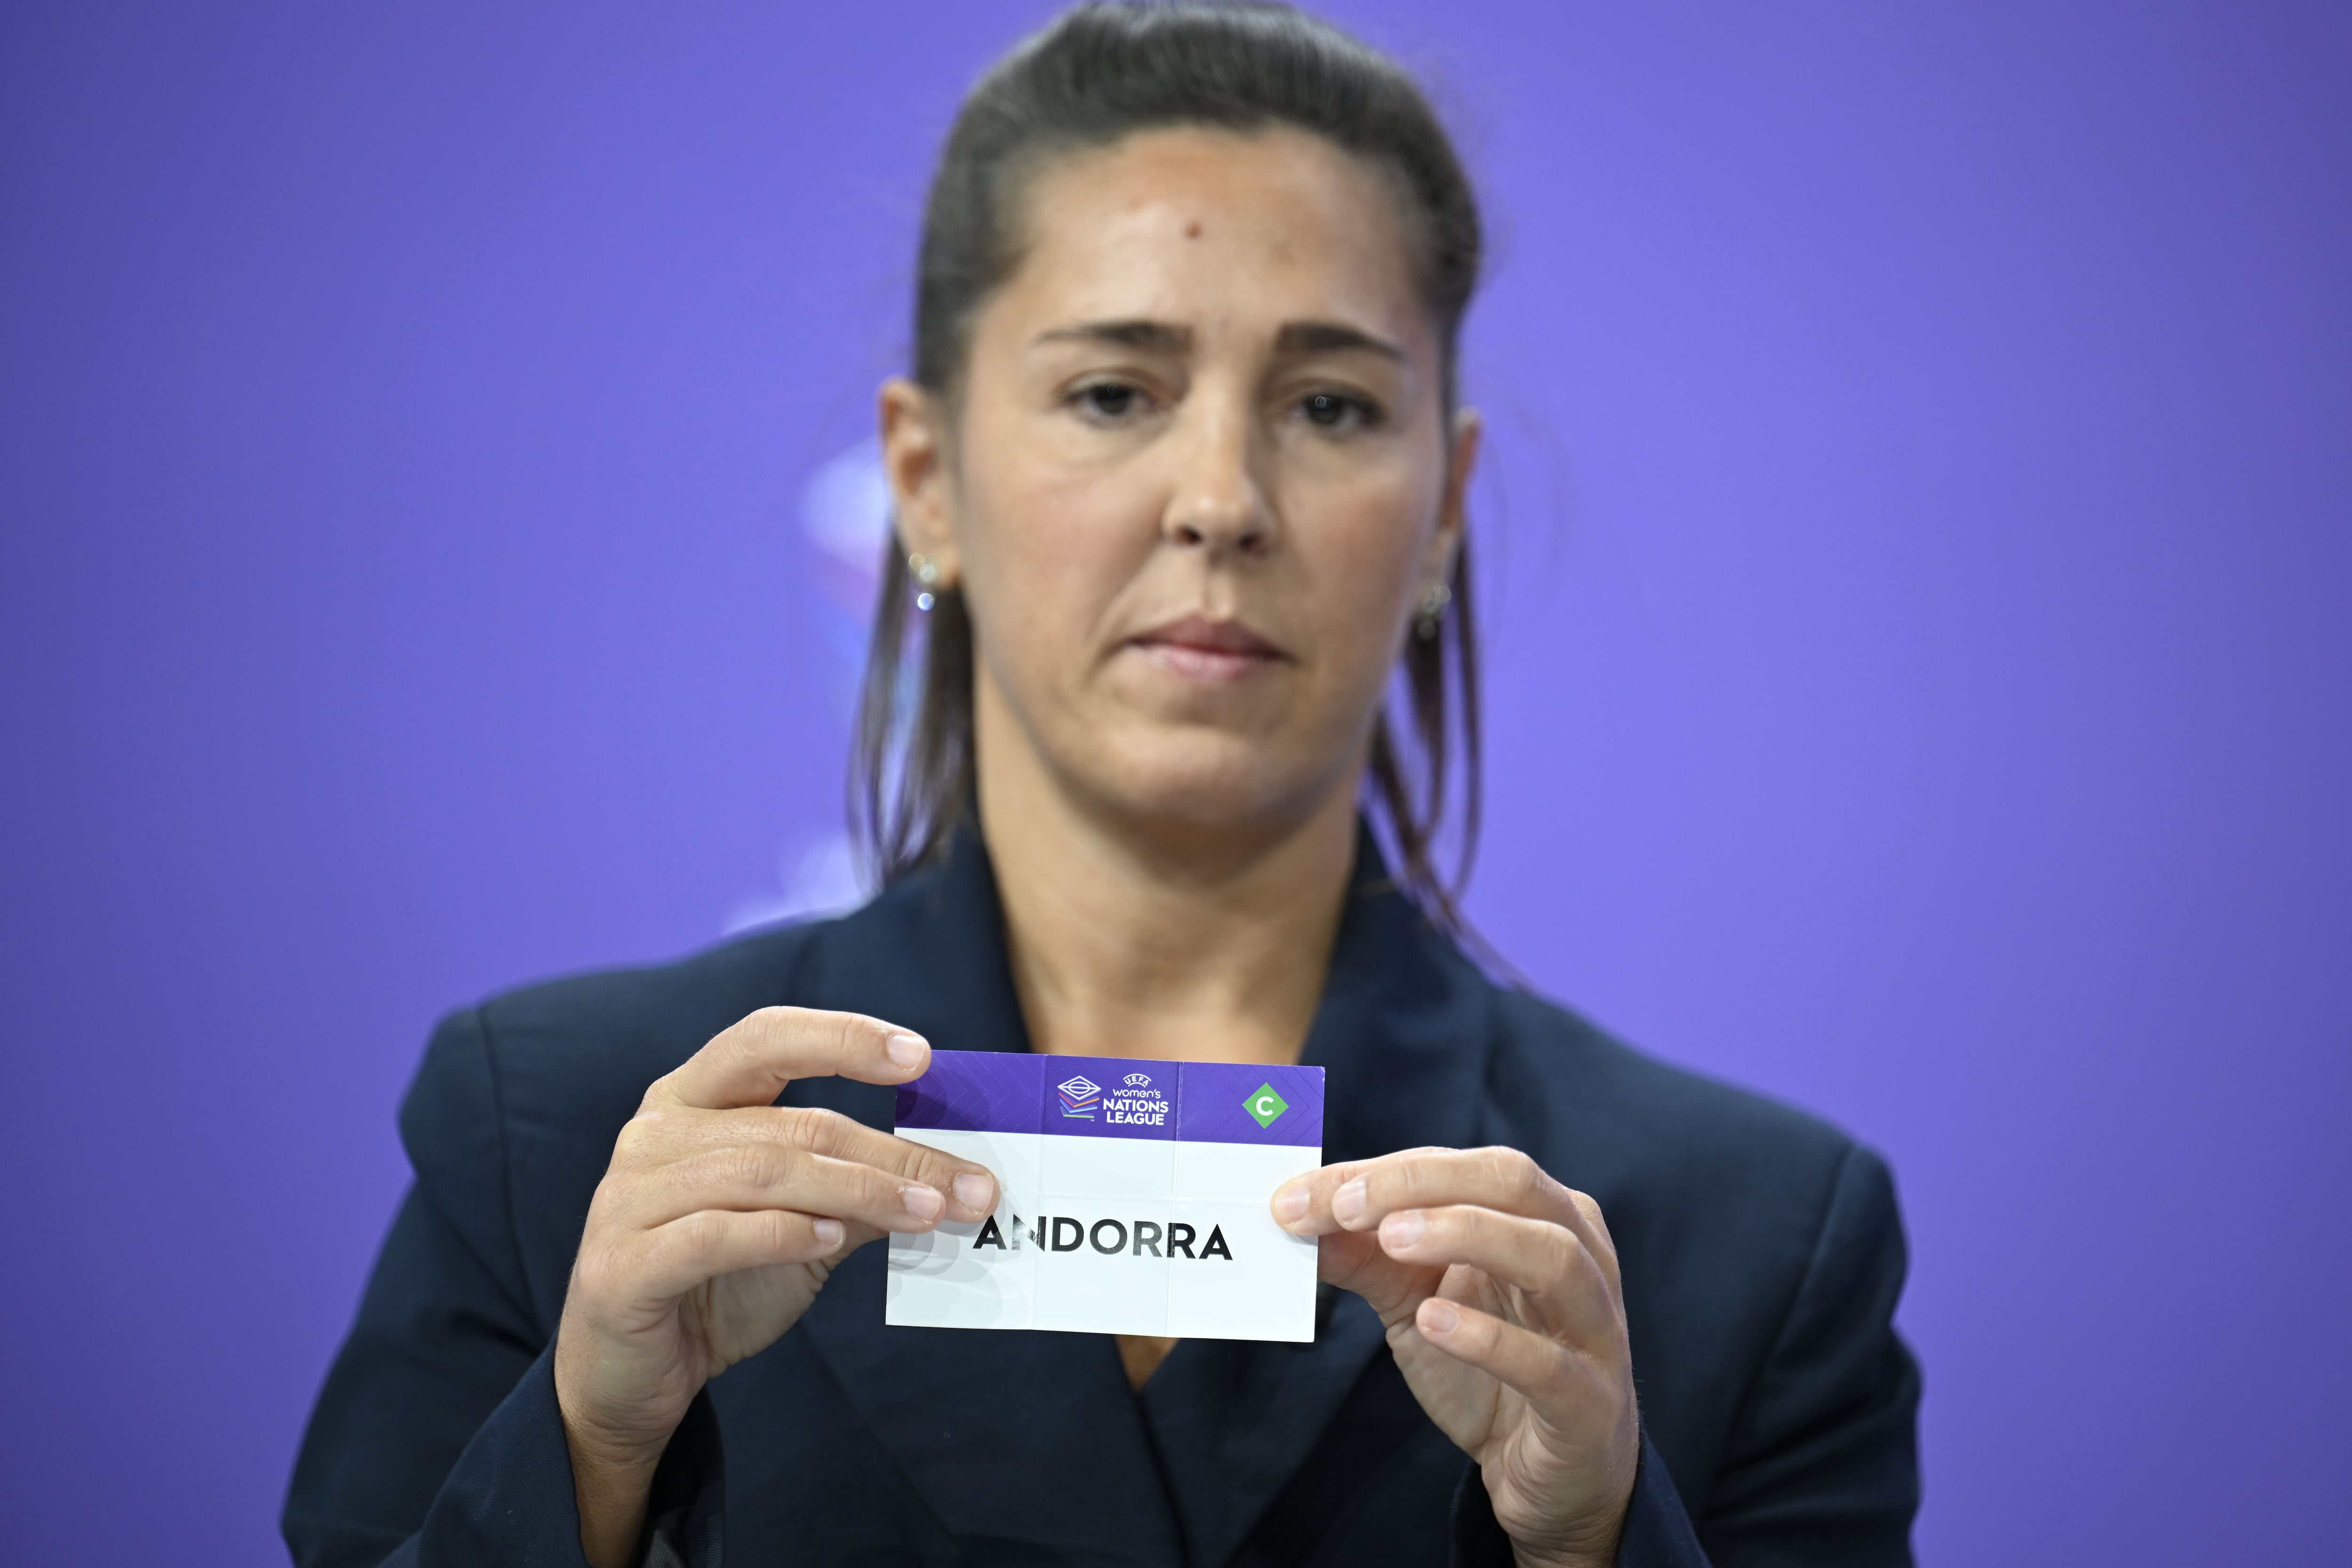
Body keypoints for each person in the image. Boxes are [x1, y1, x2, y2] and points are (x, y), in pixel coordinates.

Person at [284, 5, 1920, 1565]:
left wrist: (1586, 1544)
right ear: (925, 481)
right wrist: (587, 1460)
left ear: (1442, 509)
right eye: (1114, 393)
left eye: (1332, 404)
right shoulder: (560, 1131)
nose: (1220, 496)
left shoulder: (1741, 1245)